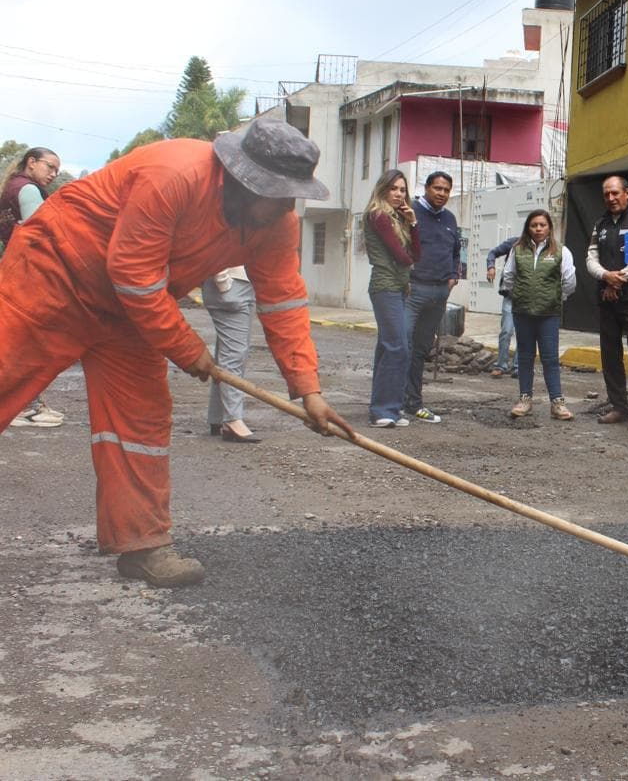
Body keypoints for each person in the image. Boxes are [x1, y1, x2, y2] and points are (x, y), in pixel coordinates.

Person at [0, 118, 355, 588]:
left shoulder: (274, 223)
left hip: (133, 312)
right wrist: (189, 349)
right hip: (57, 274)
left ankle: (141, 544)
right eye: (281, 190)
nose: (291, 202)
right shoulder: (176, 174)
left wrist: (307, 389)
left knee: (141, 421)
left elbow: (284, 303)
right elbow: (132, 272)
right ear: (244, 180)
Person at [1, 146, 66, 428]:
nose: (53, 174)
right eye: (50, 167)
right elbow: (42, 234)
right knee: (29, 342)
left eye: (56, 170)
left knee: (19, 340)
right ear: (32, 162)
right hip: (28, 273)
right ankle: (23, 406)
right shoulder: (28, 190)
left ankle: (27, 405)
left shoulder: (11, 187)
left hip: (12, 268)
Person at [586, 175, 628, 431]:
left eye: (615, 193)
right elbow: (590, 259)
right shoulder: (600, 223)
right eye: (606, 194)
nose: (611, 198)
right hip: (607, 297)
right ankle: (618, 406)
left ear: (627, 193)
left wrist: (618, 279)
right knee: (610, 354)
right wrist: (606, 277)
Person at [502, 210, 577, 420]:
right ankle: (525, 400)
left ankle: (557, 403)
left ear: (549, 227)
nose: (538, 229)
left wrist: (557, 297)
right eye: (533, 225)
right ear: (528, 227)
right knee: (524, 356)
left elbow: (569, 280)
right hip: (522, 312)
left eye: (542, 225)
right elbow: (508, 276)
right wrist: (518, 295)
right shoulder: (517, 250)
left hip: (549, 315)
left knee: (550, 358)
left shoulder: (561, 251)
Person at [363, 169, 420, 427]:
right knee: (398, 346)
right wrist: (409, 265)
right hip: (385, 285)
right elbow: (402, 256)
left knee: (388, 346)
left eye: (403, 189)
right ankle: (384, 410)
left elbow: (415, 253)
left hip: (398, 287)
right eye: (394, 188)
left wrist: (414, 223)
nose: (399, 194)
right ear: (383, 189)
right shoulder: (378, 215)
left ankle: (387, 409)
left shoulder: (398, 218)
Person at [402, 171, 459, 424]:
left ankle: (413, 403)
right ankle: (388, 402)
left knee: (421, 349)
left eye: (446, 190)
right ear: (426, 188)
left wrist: (453, 275)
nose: (442, 194)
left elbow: (456, 250)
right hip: (413, 290)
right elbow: (401, 246)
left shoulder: (450, 218)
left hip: (439, 292)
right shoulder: (411, 212)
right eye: (437, 188)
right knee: (400, 345)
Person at [201, 266, 261, 442]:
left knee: (227, 354)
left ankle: (218, 416)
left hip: (239, 285)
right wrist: (223, 283)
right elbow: (215, 249)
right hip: (230, 286)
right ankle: (232, 421)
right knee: (234, 356)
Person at [486, 234, 519, 377]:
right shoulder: (514, 243)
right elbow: (492, 253)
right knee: (506, 331)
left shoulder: (544, 249)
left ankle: (519, 367)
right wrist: (491, 267)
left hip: (530, 298)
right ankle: (501, 365)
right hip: (511, 296)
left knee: (525, 335)